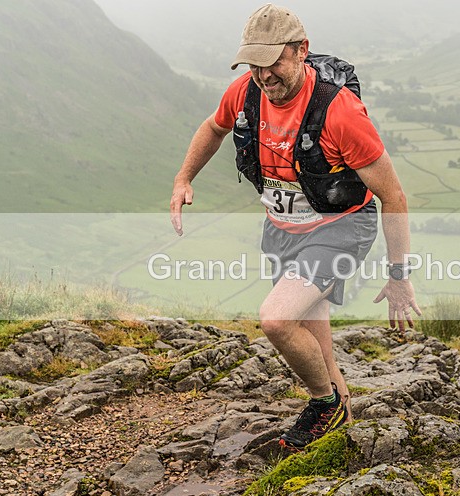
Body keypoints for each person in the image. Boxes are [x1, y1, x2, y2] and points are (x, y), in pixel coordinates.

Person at [169, 3, 420, 451]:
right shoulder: (245, 92)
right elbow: (213, 127)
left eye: (273, 62)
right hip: (282, 229)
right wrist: (184, 178)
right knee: (317, 348)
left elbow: (394, 196)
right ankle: (340, 434)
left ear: (302, 50)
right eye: (254, 64)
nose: (263, 76)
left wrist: (399, 274)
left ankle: (324, 404)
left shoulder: (339, 112)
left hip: (340, 227)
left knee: (277, 320)